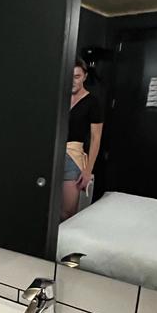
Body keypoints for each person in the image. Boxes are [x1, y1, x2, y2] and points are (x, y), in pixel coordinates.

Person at [62, 59, 103, 221]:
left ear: (85, 76)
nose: (72, 81)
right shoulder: (60, 98)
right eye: (69, 76)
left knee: (67, 212)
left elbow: (96, 138)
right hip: (51, 153)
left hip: (72, 156)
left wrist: (88, 171)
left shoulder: (92, 102)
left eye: (77, 76)